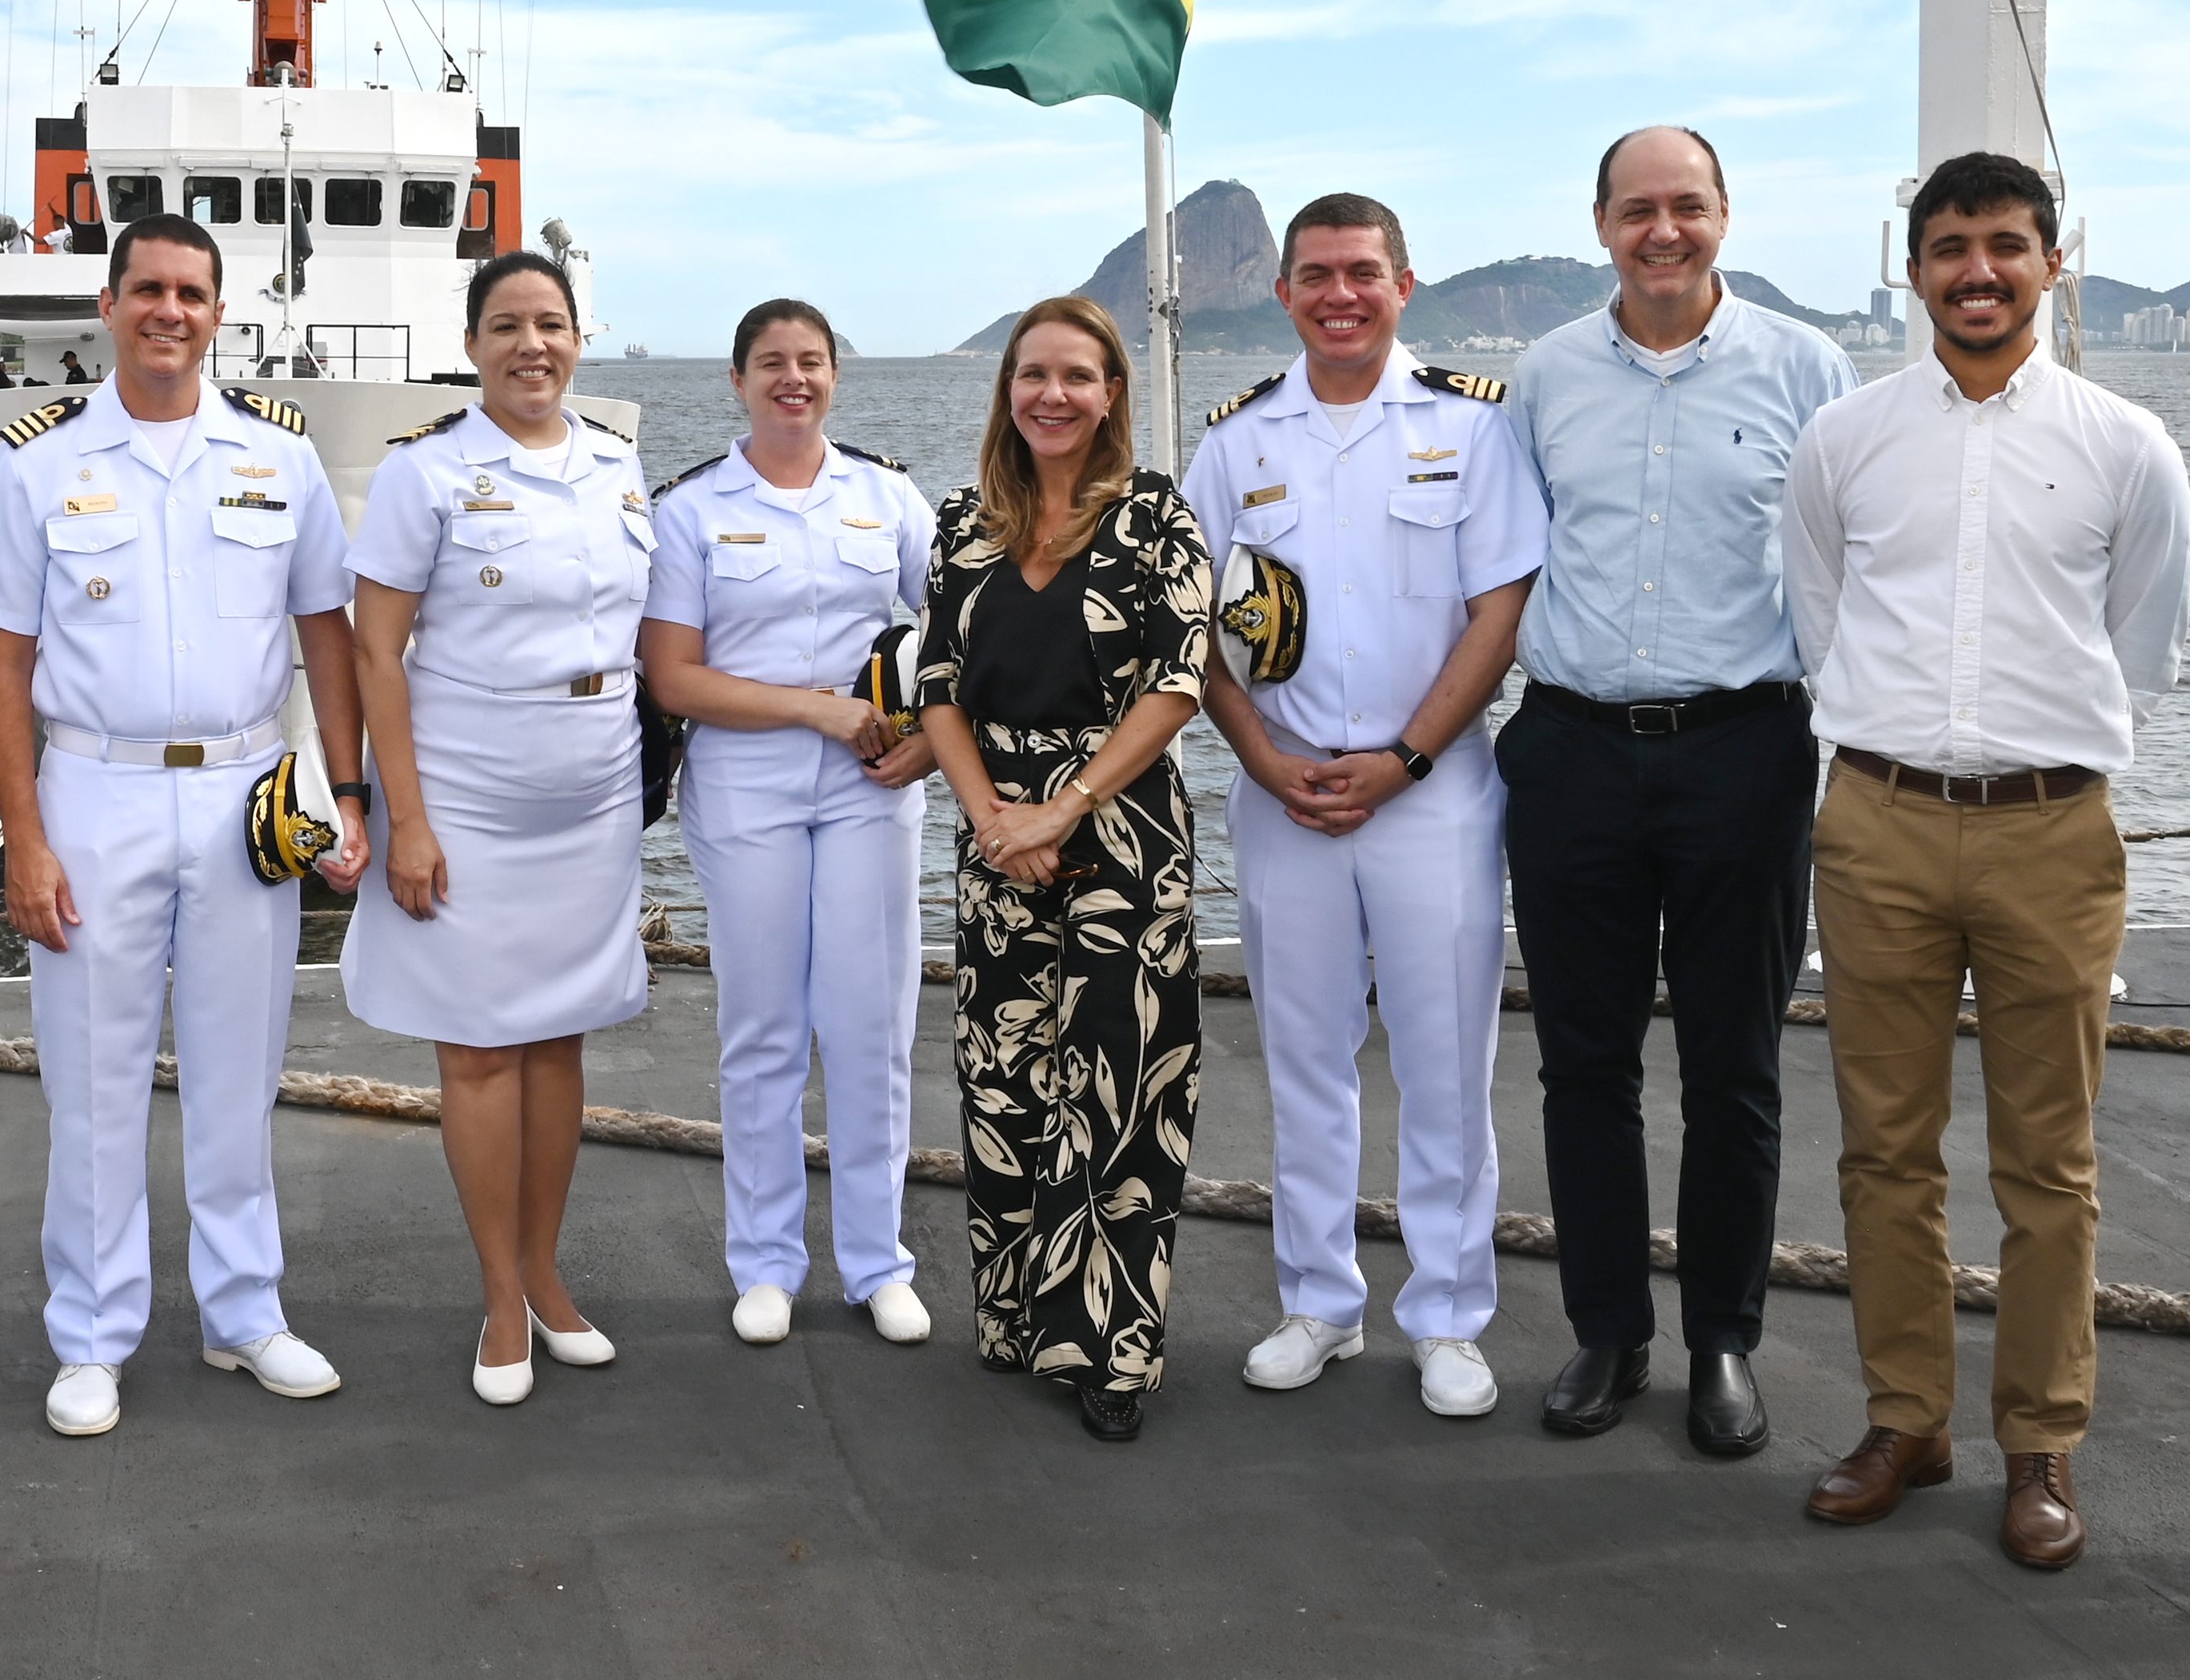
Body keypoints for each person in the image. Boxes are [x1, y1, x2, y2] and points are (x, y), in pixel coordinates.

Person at [1784, 150, 2190, 1569]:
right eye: (1950, 246)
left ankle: (2041, 1445)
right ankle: (1907, 1417)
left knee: (2050, 1163)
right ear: (1914, 272)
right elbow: (1819, 614)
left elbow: (2139, 645)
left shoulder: (2126, 444)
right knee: (1884, 1153)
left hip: (2051, 830)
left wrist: (2024, 749)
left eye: (2006, 246)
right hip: (1879, 821)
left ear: (2051, 261)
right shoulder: (1844, 439)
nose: (1978, 271)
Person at [0, 212, 371, 1436]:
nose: (169, 313)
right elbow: (3, 667)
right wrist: (24, 838)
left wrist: (340, 792)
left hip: (245, 793)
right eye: (147, 291)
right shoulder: (38, 465)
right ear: (111, 305)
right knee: (93, 1077)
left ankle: (246, 1314)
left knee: (241, 1070)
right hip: (95, 790)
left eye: (191, 293)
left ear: (218, 310)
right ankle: (91, 1334)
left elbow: (326, 637)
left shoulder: (278, 459)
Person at [1499, 128, 1856, 1460]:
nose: (1665, 231)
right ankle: (1609, 1330)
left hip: (1743, 748)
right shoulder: (1544, 378)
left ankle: (1722, 1340)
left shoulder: (1808, 368)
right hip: (1575, 748)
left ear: (1726, 216)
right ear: (1599, 222)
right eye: (1638, 208)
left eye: (1688, 207)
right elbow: (1506, 562)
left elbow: (1843, 564)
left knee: (1734, 1067)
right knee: (1582, 1063)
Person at [1182, 194, 1544, 1420]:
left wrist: (1405, 757)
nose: (1340, 294)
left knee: (1445, 1065)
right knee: (1307, 1059)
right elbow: (1197, 642)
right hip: (1284, 795)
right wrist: (1263, 761)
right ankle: (1318, 1303)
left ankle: (1448, 1317)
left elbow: (1498, 613)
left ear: (1404, 284)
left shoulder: (1471, 429)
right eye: (1316, 275)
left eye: (1363, 273)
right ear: (1281, 292)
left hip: (1431, 795)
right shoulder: (1236, 447)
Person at [342, 249, 654, 1403]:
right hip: (468, 792)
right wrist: (404, 820)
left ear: (580, 340)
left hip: (592, 790)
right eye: (511, 325)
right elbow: (378, 651)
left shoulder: (620, 470)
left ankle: (547, 1273)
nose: (535, 344)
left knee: (562, 1038)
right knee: (478, 1050)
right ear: (473, 344)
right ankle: (498, 1300)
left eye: (555, 324)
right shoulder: (425, 477)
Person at [913, 297, 1214, 1442]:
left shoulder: (1154, 517)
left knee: (1120, 1093)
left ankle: (1110, 1350)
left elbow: (1178, 684)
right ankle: (1012, 1321)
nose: (1052, 394)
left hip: (1121, 831)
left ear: (1112, 393)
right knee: (1005, 1085)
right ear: (1008, 390)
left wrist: (1064, 810)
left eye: (1077, 376)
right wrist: (992, 812)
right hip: (996, 833)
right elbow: (938, 684)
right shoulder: (964, 522)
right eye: (1033, 374)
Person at [641, 299, 941, 1347]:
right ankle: (765, 1261)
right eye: (772, 363)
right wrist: (818, 708)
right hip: (749, 785)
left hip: (872, 785)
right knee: (763, 1028)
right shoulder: (691, 513)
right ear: (737, 380)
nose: (793, 379)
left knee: (872, 1025)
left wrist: (935, 739)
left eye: (811, 362)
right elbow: (673, 676)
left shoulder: (888, 496)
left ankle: (877, 1260)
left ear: (834, 376)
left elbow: (953, 627)